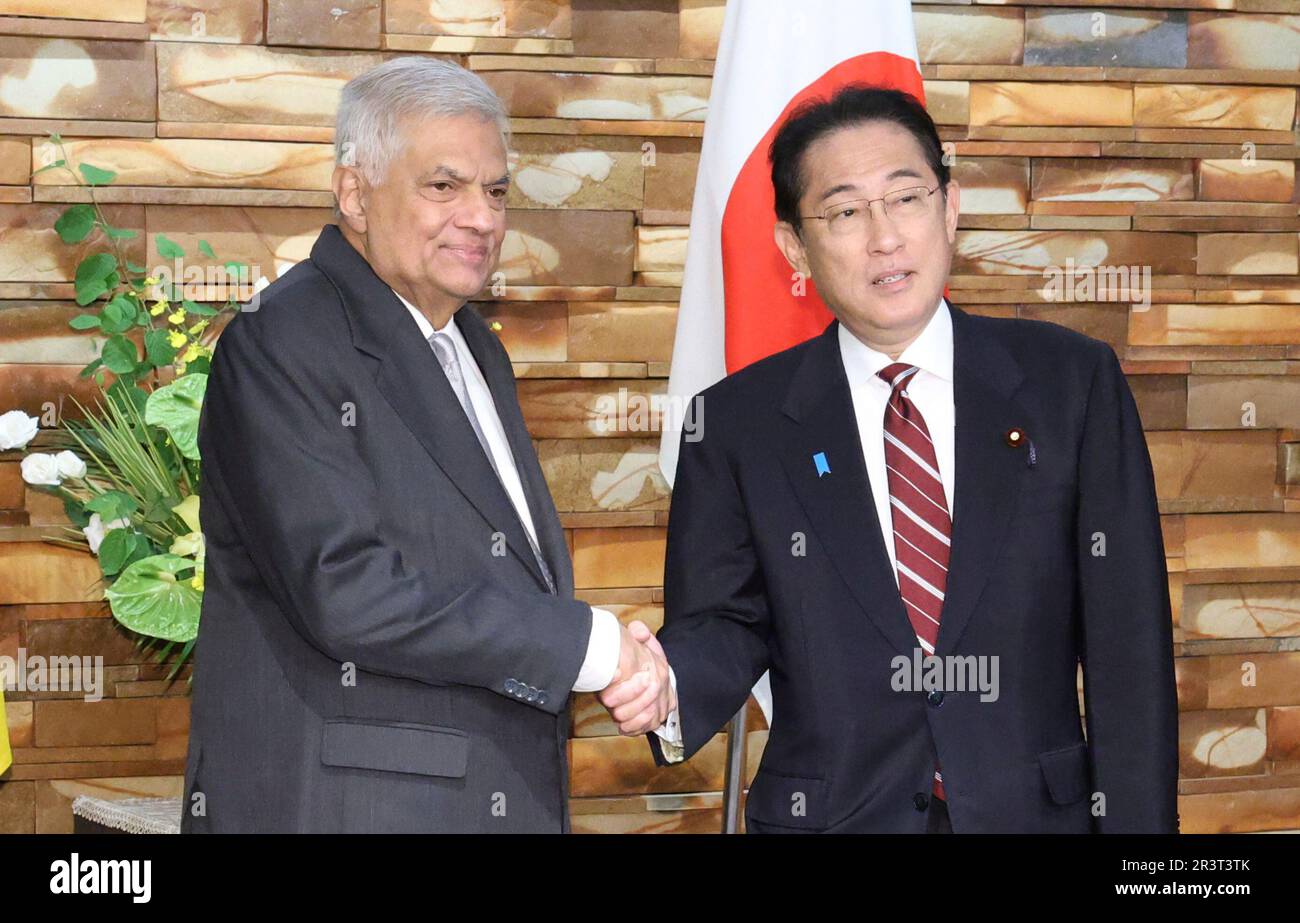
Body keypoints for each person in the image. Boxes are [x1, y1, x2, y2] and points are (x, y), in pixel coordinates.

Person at [600, 85, 1179, 834]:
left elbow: (1127, 647)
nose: (885, 238)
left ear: (950, 207)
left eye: (905, 198)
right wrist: (667, 684)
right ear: (794, 248)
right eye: (844, 212)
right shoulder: (736, 424)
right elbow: (725, 622)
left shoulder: (1070, 385)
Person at [181, 56, 671, 833]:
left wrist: (603, 655)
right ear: (354, 192)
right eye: (444, 186)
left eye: (497, 190)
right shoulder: (284, 339)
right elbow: (346, 588)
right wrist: (586, 644)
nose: (481, 217)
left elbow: (493, 570)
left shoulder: (474, 347)